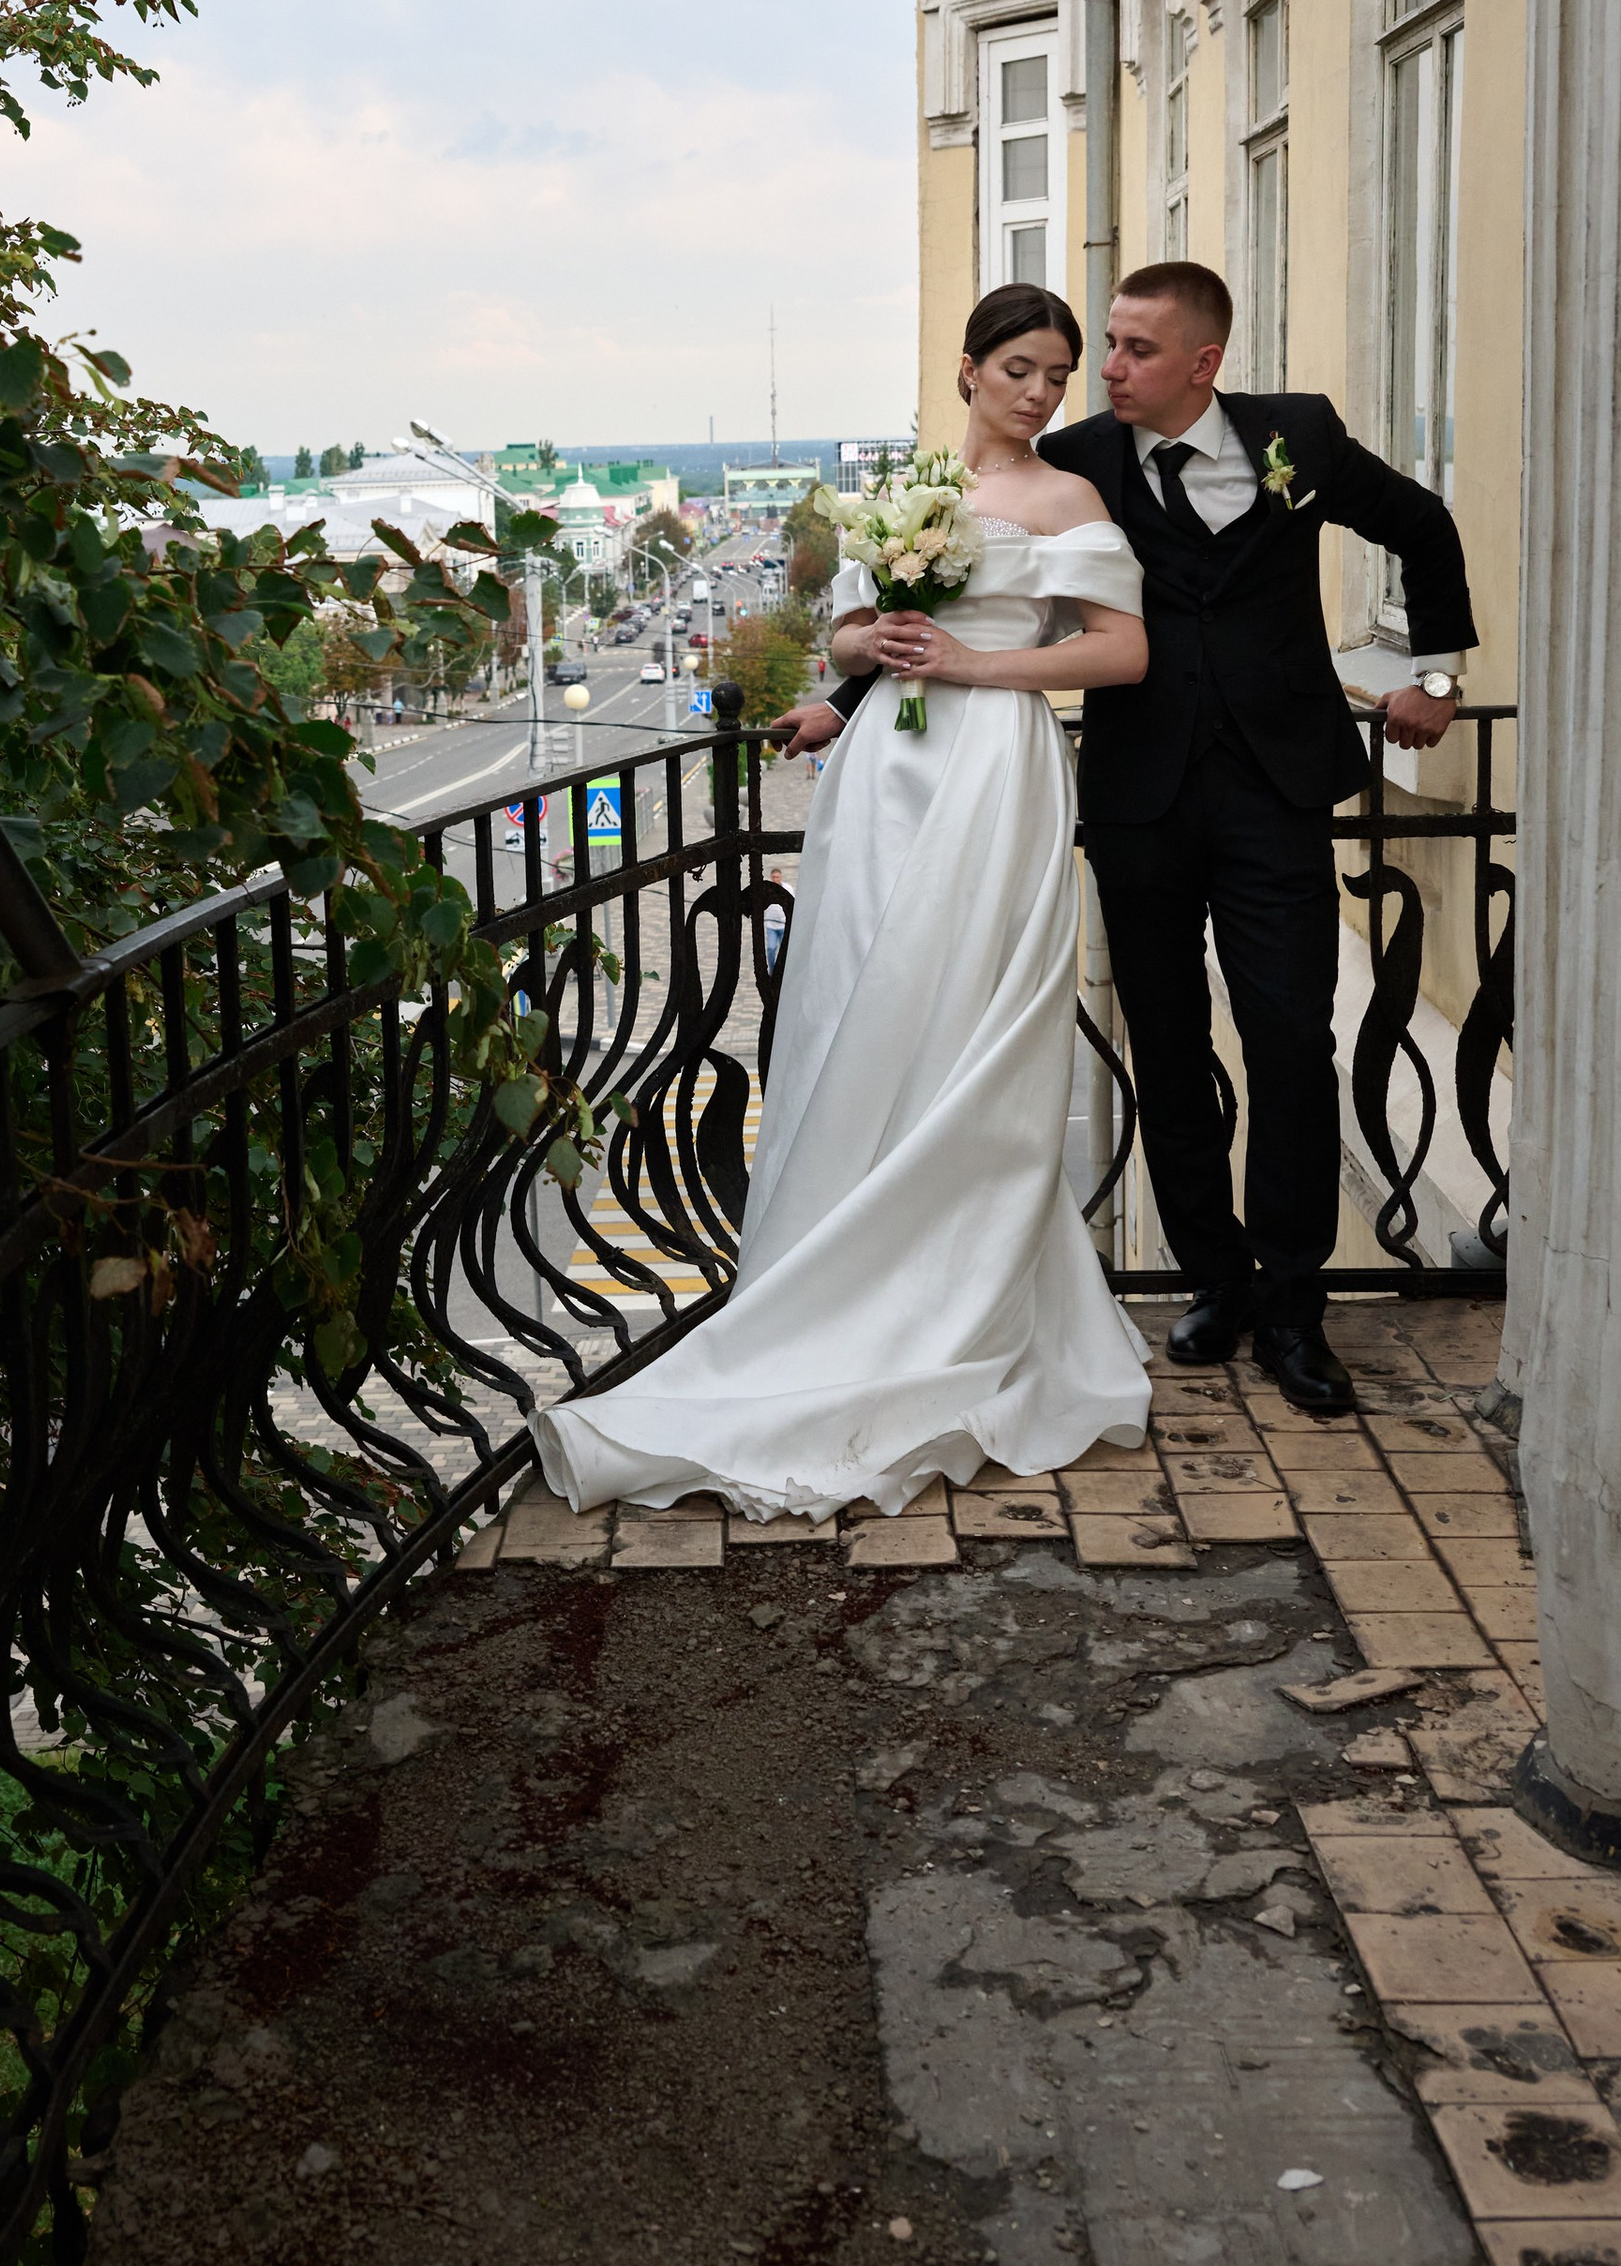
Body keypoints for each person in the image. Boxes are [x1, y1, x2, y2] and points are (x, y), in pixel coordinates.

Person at [797, 260, 1476, 1419]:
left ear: (1201, 364)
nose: (1098, 373)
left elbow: (1421, 524)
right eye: (1094, 349)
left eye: (1129, 352)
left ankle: (1296, 1304)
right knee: (1164, 1044)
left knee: (1288, 1041)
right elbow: (952, 592)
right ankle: (1213, 1282)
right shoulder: (1076, 462)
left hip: (1275, 794)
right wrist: (845, 701)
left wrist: (1435, 673)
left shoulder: (1295, 439)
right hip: (1138, 798)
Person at [534, 286, 1152, 1524]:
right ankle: (826, 1281)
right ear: (969, 369)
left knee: (976, 1023)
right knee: (858, 1007)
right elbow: (856, 640)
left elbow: (1120, 653)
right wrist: (866, 655)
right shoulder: (908, 488)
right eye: (1020, 369)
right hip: (885, 780)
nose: (1041, 394)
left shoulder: (1069, 500)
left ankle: (959, 1303)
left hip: (996, 773)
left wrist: (977, 663)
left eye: (1061, 376)